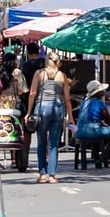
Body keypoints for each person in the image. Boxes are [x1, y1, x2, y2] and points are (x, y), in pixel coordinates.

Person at [26, 51, 69, 184]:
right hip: (57, 109)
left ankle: (43, 174)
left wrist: (28, 112)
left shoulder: (39, 74)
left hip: (41, 108)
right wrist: (71, 117)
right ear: (58, 63)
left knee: (41, 143)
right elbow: (67, 99)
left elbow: (32, 93)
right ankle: (52, 175)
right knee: (54, 144)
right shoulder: (62, 76)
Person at [75, 82, 110, 163]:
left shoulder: (84, 102)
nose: (104, 91)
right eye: (102, 90)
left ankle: (98, 156)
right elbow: (108, 119)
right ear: (97, 93)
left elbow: (90, 118)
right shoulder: (99, 103)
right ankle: (104, 155)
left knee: (102, 130)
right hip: (93, 131)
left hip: (79, 131)